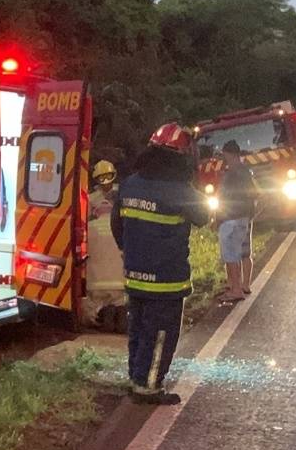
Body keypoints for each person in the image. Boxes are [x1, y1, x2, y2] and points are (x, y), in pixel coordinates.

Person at [111, 124, 211, 405]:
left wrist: (129, 251)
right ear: (181, 158)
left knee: (139, 330)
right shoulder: (181, 191)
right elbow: (204, 217)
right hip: (166, 279)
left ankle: (136, 376)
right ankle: (149, 386)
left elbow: (117, 225)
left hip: (134, 274)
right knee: (161, 334)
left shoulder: (129, 184)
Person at [82, 159, 127, 329]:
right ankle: (117, 319)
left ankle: (111, 319)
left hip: (97, 279)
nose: (106, 182)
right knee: (118, 301)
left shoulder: (93, 200)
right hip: (118, 278)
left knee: (108, 302)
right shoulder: (122, 195)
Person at [215, 141, 259, 304]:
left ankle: (235, 289)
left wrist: (218, 217)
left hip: (230, 218)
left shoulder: (231, 173)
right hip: (242, 218)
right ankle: (238, 285)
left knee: (230, 255)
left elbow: (223, 197)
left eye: (225, 154)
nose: (224, 157)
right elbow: (255, 194)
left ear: (229, 154)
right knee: (237, 253)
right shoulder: (246, 171)